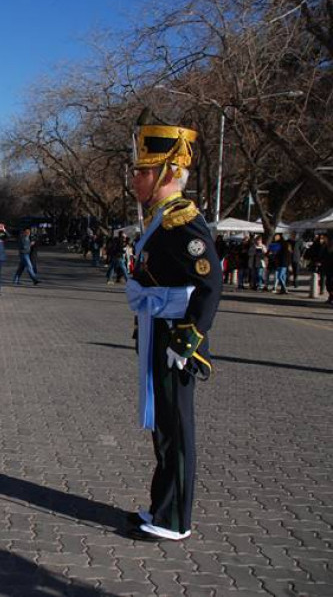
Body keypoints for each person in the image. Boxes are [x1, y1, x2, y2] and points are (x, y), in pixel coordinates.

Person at [125, 121, 221, 542]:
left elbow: (210, 283)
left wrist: (189, 338)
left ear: (165, 174)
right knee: (164, 426)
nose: (135, 179)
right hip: (158, 330)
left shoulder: (182, 221)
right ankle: (161, 506)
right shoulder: (160, 219)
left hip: (175, 338)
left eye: (143, 172)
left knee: (177, 428)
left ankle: (176, 519)